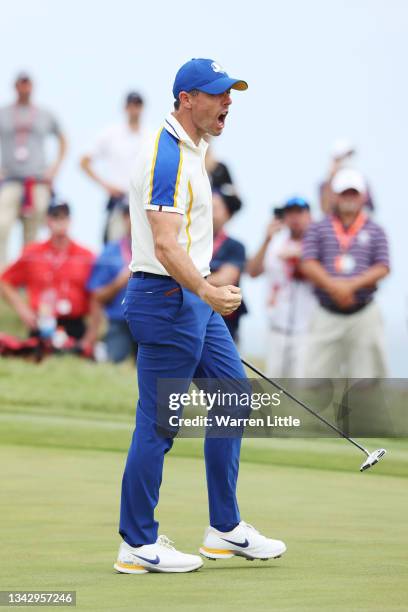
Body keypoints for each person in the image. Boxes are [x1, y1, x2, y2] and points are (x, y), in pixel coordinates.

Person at [114, 58, 286, 575]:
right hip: (168, 298)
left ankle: (224, 529)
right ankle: (137, 543)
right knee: (159, 423)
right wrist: (209, 293)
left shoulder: (194, 151)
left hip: (191, 297)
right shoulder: (163, 155)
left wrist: (204, 295)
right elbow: (165, 246)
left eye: (230, 93)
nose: (228, 101)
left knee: (233, 394)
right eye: (218, 94)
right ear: (187, 99)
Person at [301, 168, 390, 378]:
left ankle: (365, 412)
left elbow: (383, 266)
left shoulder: (376, 230)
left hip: (363, 313)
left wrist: (350, 286)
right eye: (344, 193)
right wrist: (335, 287)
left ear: (363, 196)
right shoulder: (318, 228)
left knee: (367, 379)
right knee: (315, 378)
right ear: (334, 196)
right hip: (326, 312)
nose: (348, 198)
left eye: (353, 193)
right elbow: (308, 263)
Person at [0, 200, 97, 350]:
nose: (60, 222)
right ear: (47, 221)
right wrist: (23, 310)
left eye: (63, 217)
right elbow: (5, 281)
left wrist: (92, 333)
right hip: (42, 323)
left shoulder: (85, 256)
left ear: (70, 221)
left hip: (75, 324)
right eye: (55, 217)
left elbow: (97, 295)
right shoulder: (33, 253)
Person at [0, 72, 67, 268]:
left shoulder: (44, 114)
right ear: (15, 86)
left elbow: (63, 139)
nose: (24, 88)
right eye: (21, 84)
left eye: (27, 84)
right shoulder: (4, 113)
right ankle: (3, 276)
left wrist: (54, 169)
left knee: (32, 233)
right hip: (10, 180)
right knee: (2, 225)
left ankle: (26, 276)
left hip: (37, 181)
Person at [247, 197, 316, 378]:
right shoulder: (275, 243)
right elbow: (252, 271)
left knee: (302, 388)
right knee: (275, 385)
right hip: (276, 327)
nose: (295, 218)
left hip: (307, 329)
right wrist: (266, 239)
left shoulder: (317, 243)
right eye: (290, 213)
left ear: (309, 216)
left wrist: (299, 257)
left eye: (299, 213)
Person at [80, 91, 147, 243]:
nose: (134, 109)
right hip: (119, 200)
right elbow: (84, 161)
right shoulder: (111, 134)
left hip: (142, 201)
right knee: (116, 248)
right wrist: (106, 186)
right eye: (131, 105)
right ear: (125, 107)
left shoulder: (150, 136)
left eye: (137, 105)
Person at [87, 198, 134, 363]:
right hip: (119, 321)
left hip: (152, 322)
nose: (133, 219)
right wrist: (118, 283)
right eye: (129, 214)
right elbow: (96, 296)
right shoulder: (110, 252)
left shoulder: (159, 248)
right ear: (123, 218)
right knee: (111, 362)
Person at [209, 185, 247, 341]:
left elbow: (226, 279)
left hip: (224, 322)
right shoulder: (190, 243)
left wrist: (185, 280)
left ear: (227, 214)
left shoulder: (235, 247)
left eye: (214, 208)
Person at [319, 138, 374, 214]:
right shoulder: (326, 184)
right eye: (345, 156)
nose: (348, 160)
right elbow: (324, 209)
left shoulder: (361, 180)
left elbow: (370, 208)